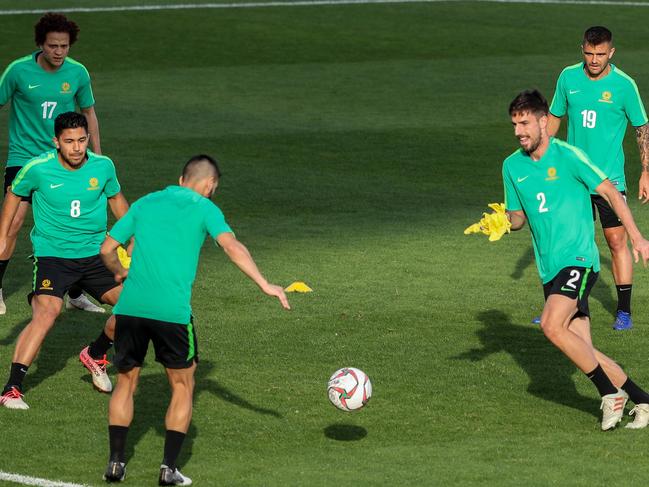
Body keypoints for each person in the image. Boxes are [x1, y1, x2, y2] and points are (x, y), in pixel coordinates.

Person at [99, 155, 290, 484]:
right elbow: (232, 246)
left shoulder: (146, 202)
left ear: (181, 177)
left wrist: (121, 273)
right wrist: (264, 283)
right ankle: (168, 469)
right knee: (183, 385)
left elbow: (106, 249)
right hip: (171, 314)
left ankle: (116, 463)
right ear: (210, 185)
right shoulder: (206, 209)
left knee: (126, 382)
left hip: (129, 309)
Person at [502, 89, 649, 430]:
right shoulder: (512, 166)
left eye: (524, 123)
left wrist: (638, 237)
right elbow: (518, 218)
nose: (518, 131)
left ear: (543, 121)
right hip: (548, 267)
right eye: (514, 124)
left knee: (552, 326)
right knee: (582, 348)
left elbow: (610, 191)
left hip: (579, 259)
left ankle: (609, 393)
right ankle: (642, 399)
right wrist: (499, 222)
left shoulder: (568, 155)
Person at [0, 112, 129, 410]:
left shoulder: (103, 166)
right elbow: (13, 196)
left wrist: (134, 237)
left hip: (97, 257)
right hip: (53, 258)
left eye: (82, 140)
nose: (77, 148)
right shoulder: (38, 168)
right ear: (55, 141)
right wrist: (3, 235)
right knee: (47, 313)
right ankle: (12, 389)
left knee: (135, 307)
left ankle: (96, 354)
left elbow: (117, 200)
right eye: (69, 141)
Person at [0, 12, 104, 315]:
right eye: (53, 46)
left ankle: (75, 293)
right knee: (13, 222)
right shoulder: (18, 71)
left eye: (64, 46)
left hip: (65, 160)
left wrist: (96, 155)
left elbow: (89, 113)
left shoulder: (78, 73)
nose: (59, 52)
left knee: (73, 225)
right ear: (40, 45)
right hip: (23, 160)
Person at [546, 26, 649, 330]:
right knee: (569, 243)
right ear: (583, 50)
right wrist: (543, 160)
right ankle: (566, 308)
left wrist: (646, 171)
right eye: (589, 53)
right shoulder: (568, 77)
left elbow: (642, 128)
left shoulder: (624, 85)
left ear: (611, 53)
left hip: (609, 179)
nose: (594, 59)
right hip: (573, 178)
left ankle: (625, 310)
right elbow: (554, 118)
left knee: (616, 240)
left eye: (600, 54)